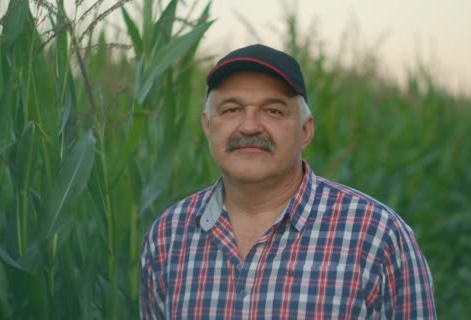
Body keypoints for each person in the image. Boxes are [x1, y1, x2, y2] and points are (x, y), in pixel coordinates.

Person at [140, 44, 437, 319]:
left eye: (273, 111)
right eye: (231, 110)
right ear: (208, 125)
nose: (250, 126)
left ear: (305, 130)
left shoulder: (377, 236)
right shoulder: (167, 238)